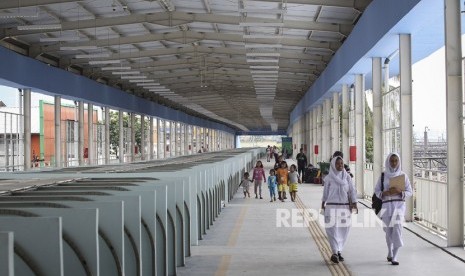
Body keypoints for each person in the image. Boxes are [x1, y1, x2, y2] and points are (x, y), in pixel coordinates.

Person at [374, 153, 412, 266]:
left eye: (396, 161)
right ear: (388, 161)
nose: (394, 163)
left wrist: (401, 192)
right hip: (386, 206)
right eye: (392, 161)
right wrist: (383, 193)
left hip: (399, 206)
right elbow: (376, 191)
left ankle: (395, 256)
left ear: (399, 161)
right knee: (388, 231)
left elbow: (410, 191)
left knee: (398, 229)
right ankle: (390, 251)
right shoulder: (383, 176)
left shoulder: (403, 176)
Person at [321, 156, 357, 264]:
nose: (340, 165)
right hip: (331, 206)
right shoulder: (328, 178)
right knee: (332, 230)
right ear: (333, 165)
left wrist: (354, 203)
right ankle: (334, 252)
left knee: (344, 229)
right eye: (338, 164)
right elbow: (325, 193)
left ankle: (339, 250)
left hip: (344, 207)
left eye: (341, 163)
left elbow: (352, 191)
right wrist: (323, 203)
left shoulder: (347, 177)